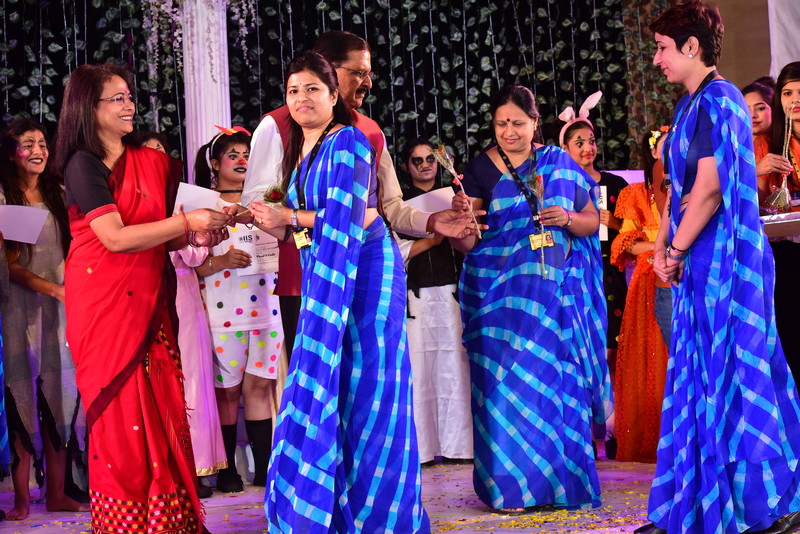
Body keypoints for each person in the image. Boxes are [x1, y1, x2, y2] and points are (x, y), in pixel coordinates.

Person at [249, 51, 430, 533]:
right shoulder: (302, 150)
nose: (301, 98)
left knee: (371, 391)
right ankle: (334, 507)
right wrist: (253, 217)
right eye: (293, 90)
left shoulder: (347, 140)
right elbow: (299, 225)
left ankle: (380, 517)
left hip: (366, 273)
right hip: (328, 275)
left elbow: (350, 217)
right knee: (341, 388)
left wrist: (289, 217)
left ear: (334, 96)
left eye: (312, 88)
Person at [638, 3, 800, 533]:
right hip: (697, 259)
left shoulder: (722, 98)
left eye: (662, 48)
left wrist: (675, 250)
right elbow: (677, 191)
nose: (657, 59)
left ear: (692, 47)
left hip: (729, 262)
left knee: (741, 376)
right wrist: (662, 245)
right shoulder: (690, 105)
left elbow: (709, 191)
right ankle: (694, 504)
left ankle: (772, 503)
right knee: (699, 377)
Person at [55, 63, 230, 533]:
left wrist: (196, 236)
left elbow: (155, 235)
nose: (130, 105)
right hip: (105, 305)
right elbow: (114, 238)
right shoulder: (82, 163)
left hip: (148, 302)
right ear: (88, 108)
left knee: (159, 405)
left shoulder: (149, 162)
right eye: (117, 98)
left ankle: (167, 521)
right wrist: (186, 223)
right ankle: (127, 523)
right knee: (121, 414)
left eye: (129, 96)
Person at [241, 30, 476, 368]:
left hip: (365, 272)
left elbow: (389, 207)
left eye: (369, 73)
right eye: (359, 73)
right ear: (328, 70)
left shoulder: (369, 131)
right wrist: (297, 221)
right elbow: (259, 202)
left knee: (370, 375)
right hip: (304, 275)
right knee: (316, 378)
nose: (368, 83)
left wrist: (432, 221)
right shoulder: (277, 125)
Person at [450, 84, 612, 512]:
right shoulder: (479, 168)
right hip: (496, 300)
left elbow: (592, 220)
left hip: (553, 298)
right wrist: (461, 222)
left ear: (535, 122)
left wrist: (567, 217)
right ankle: (511, 490)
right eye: (501, 124)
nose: (509, 132)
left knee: (554, 387)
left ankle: (560, 486)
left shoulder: (558, 161)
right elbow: (469, 244)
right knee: (504, 389)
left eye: (518, 123)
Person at [127, 131, 228, 499]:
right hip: (146, 292)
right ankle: (164, 467)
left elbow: (195, 258)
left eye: (162, 153)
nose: (156, 160)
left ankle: (197, 465)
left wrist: (199, 235)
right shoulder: (131, 204)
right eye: (148, 153)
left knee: (194, 378)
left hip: (184, 293)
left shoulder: (182, 201)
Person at [0, 118, 87, 520]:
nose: (38, 151)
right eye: (27, 144)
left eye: (42, 144)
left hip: (63, 308)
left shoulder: (60, 194)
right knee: (21, 399)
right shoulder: (4, 198)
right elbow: (10, 264)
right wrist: (54, 289)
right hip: (19, 310)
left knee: (62, 398)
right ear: (10, 153)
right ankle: (21, 498)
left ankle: (56, 492)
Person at [193, 127, 282, 493]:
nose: (242, 160)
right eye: (233, 155)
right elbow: (187, 264)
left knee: (259, 387)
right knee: (227, 391)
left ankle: (264, 469)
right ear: (215, 164)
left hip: (266, 306)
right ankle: (227, 469)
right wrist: (223, 260)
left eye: (247, 154)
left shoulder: (268, 201)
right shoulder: (201, 204)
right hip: (222, 310)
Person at [558, 93, 628, 458]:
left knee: (611, 351)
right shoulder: (558, 184)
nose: (588, 148)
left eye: (591, 140)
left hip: (610, 275)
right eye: (579, 142)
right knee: (580, 351)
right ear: (564, 149)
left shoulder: (614, 186)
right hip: (574, 275)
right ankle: (582, 431)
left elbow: (635, 230)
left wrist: (611, 222)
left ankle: (613, 428)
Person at [395, 137, 472, 466]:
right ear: (406, 166)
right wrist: (434, 237)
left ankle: (459, 446)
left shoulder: (454, 197)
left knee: (454, 369)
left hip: (450, 293)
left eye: (430, 159)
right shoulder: (398, 205)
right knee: (419, 371)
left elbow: (469, 244)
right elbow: (394, 251)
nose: (425, 165)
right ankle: (423, 449)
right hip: (414, 297)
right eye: (418, 160)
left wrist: (462, 220)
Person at [608, 127, 671, 463]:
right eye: (663, 146)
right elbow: (625, 243)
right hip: (649, 279)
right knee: (650, 357)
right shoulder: (637, 192)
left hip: (683, 271)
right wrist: (660, 246)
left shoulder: (693, 183)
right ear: (653, 153)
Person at [759, 62, 800, 388]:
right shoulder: (766, 144)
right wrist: (757, 170)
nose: (794, 100)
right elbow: (750, 201)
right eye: (787, 93)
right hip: (784, 254)